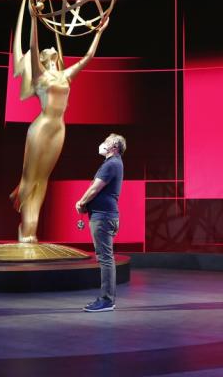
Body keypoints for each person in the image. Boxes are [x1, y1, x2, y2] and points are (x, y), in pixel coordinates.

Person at [10, 0, 107, 243]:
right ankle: (25, 227)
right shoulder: (40, 73)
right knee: (31, 179)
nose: (52, 49)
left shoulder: (66, 76)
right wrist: (33, 19)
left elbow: (88, 57)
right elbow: (32, 46)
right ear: (43, 58)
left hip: (59, 129)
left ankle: (30, 229)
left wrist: (98, 32)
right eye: (47, 50)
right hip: (40, 128)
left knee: (43, 179)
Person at [75, 133, 126, 313]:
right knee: (106, 257)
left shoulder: (111, 164)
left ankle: (106, 300)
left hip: (103, 217)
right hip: (106, 216)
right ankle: (107, 299)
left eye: (106, 142)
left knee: (105, 258)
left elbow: (94, 188)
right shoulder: (114, 163)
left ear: (114, 147)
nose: (102, 144)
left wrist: (81, 202)